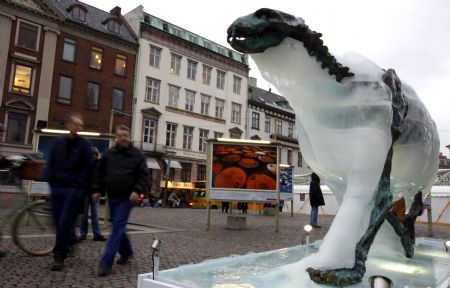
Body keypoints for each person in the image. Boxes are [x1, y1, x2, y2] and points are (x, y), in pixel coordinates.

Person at [92, 125, 148, 277]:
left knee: (116, 227)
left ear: (129, 137)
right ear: (117, 137)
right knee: (118, 225)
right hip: (113, 196)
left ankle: (106, 263)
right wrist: (97, 189)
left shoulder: (137, 155)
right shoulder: (109, 154)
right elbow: (100, 173)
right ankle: (127, 252)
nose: (123, 138)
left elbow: (143, 176)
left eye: (126, 135)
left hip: (127, 197)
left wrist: (137, 191)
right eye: (120, 135)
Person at [47, 113, 93, 271]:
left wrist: (79, 185)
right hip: (57, 187)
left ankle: (59, 255)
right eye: (74, 124)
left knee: (64, 221)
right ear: (68, 125)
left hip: (72, 189)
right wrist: (51, 182)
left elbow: (88, 168)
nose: (77, 127)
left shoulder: (85, 145)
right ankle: (71, 240)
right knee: (56, 220)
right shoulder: (58, 143)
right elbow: (51, 163)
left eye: (80, 125)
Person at [79, 147, 106, 242]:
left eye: (94, 155)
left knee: (94, 214)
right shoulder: (87, 164)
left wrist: (100, 191)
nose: (93, 156)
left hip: (93, 191)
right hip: (87, 191)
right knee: (85, 214)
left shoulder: (99, 164)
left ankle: (94, 234)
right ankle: (86, 234)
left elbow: (102, 179)